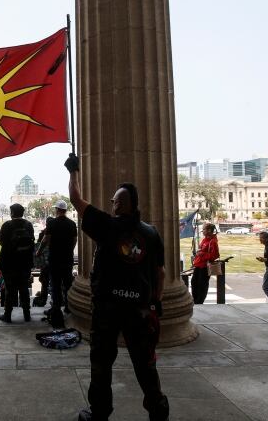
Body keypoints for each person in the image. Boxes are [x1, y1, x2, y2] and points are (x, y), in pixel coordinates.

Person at [64, 154, 169, 421]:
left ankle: (99, 412)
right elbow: (160, 272)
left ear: (120, 205)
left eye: (113, 201)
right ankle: (158, 410)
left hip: (108, 309)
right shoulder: (151, 233)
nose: (111, 204)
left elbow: (75, 199)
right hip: (139, 310)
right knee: (145, 364)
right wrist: (155, 303)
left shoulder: (107, 226)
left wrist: (73, 171)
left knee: (101, 363)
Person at [38, 201, 77, 327]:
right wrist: (68, 250)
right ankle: (68, 307)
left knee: (55, 285)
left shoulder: (52, 223)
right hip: (67, 260)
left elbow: (45, 239)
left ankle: (56, 309)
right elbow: (74, 241)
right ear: (65, 210)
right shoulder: (71, 224)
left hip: (54, 259)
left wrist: (39, 251)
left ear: (56, 210)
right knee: (67, 284)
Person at [0, 203, 35, 323]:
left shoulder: (7, 225)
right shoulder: (29, 225)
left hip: (10, 263)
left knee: (10, 290)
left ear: (12, 213)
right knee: (24, 289)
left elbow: (2, 242)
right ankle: (27, 315)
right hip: (25, 263)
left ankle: (7, 315)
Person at [190, 223, 219, 304]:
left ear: (209, 230)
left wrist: (202, 254)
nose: (202, 231)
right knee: (194, 282)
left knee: (202, 285)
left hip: (205, 267)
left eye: (204, 229)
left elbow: (215, 255)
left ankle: (199, 301)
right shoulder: (204, 240)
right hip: (198, 265)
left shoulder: (213, 242)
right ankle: (195, 300)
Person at [32, 218, 53, 307]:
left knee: (44, 281)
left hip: (45, 262)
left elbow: (38, 245)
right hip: (54, 260)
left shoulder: (42, 233)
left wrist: (38, 253)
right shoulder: (57, 233)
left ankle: (43, 300)